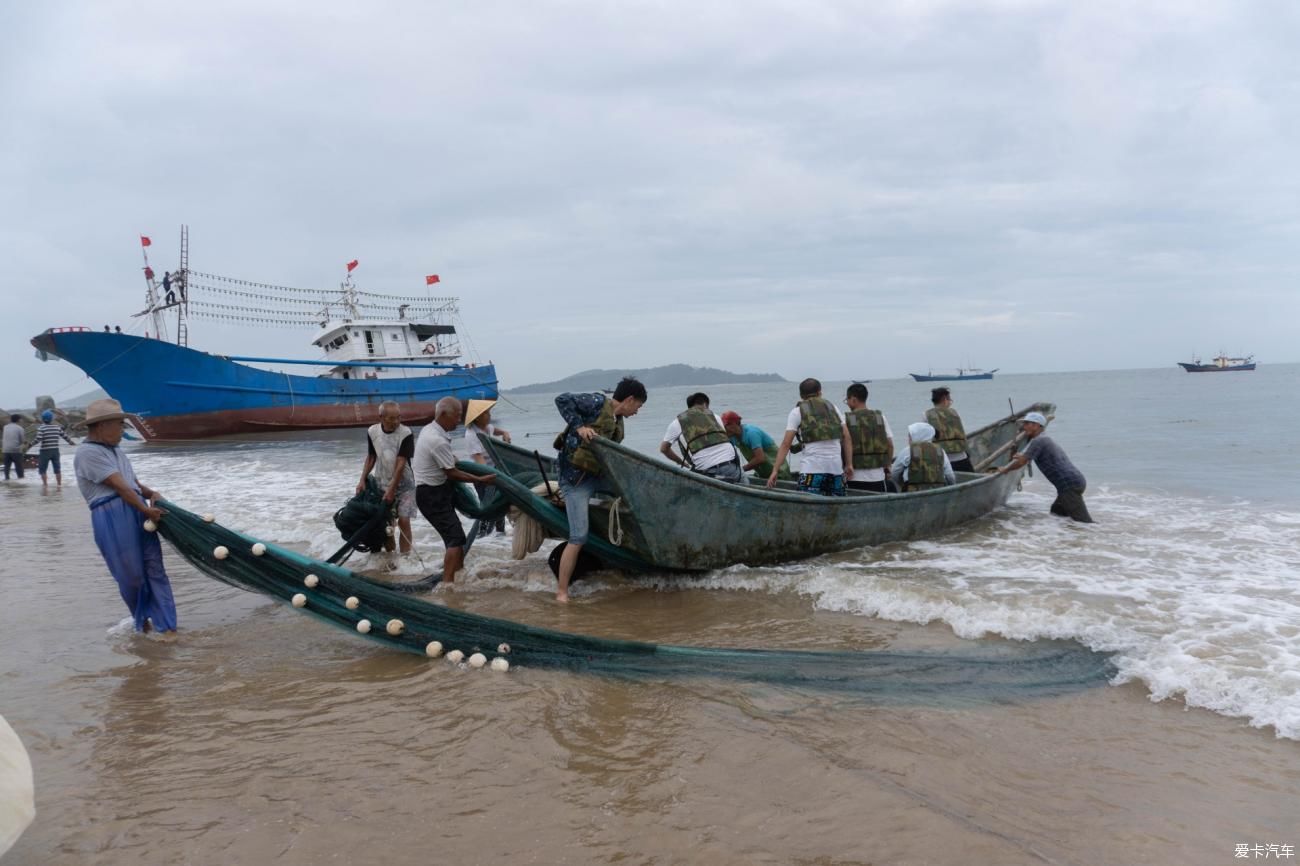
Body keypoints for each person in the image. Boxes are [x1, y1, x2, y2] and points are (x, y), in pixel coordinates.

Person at [73, 399, 177, 634]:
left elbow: (132, 483)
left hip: (136, 508)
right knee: (131, 576)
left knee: (155, 570)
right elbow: (119, 486)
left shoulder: (116, 450)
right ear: (102, 426)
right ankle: (143, 622)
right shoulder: (87, 453)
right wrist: (146, 510)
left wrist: (150, 493)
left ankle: (167, 627)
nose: (123, 429)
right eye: (120, 424)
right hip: (112, 517)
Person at [553, 377, 648, 602]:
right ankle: (562, 592)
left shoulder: (618, 420)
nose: (637, 411)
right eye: (639, 406)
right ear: (629, 400)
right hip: (575, 481)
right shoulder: (596, 402)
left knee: (636, 494)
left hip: (599, 478)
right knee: (578, 537)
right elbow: (562, 400)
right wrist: (580, 426)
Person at [412, 397, 496, 583]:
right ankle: (447, 583)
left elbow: (449, 461)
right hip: (431, 495)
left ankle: (457, 573)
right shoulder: (436, 439)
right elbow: (452, 473)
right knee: (456, 539)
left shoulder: (431, 429)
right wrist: (480, 479)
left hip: (437, 491)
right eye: (456, 416)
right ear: (442, 414)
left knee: (454, 537)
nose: (459, 420)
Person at [997, 411, 1094, 523]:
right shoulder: (1042, 439)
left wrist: (1005, 469)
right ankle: (1067, 537)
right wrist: (1023, 456)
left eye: (1027, 423)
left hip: (1069, 485)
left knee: (1084, 522)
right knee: (1057, 513)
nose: (1024, 427)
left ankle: (1097, 535)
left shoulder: (1038, 441)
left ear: (1036, 425)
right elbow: (1027, 457)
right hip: (1071, 483)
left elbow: (1021, 462)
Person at [767, 378, 854, 496]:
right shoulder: (833, 408)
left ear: (801, 395)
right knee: (834, 510)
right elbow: (846, 437)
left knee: (806, 509)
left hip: (811, 471)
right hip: (836, 470)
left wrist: (775, 470)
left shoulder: (797, 411)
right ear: (820, 392)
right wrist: (849, 464)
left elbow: (786, 444)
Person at [356, 401, 415, 558]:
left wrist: (392, 488)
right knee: (387, 526)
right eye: (391, 418)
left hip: (405, 485)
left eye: (398, 417)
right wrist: (362, 480)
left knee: (403, 520)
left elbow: (401, 463)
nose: (395, 422)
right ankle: (391, 558)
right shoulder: (372, 431)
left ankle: (406, 558)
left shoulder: (406, 433)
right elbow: (371, 456)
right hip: (381, 483)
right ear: (381, 417)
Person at [659, 392, 744, 484]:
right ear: (705, 405)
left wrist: (681, 462)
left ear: (689, 407)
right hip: (732, 469)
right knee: (743, 478)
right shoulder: (715, 417)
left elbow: (664, 449)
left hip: (707, 473)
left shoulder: (678, 422)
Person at [463, 399, 512, 535]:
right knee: (487, 508)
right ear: (478, 417)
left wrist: (505, 434)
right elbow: (479, 461)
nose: (489, 415)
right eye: (486, 413)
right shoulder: (472, 435)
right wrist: (493, 478)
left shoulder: (486, 428)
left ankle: (500, 536)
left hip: (493, 471)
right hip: (482, 476)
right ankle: (483, 536)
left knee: (500, 507)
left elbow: (497, 431)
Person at [843, 384, 897, 493]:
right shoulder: (880, 417)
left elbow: (841, 445)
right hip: (878, 477)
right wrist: (888, 466)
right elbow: (890, 444)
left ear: (853, 399)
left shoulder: (845, 419)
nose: (847, 403)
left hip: (854, 477)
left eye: (847, 400)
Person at [721, 411, 790, 481]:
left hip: (779, 473)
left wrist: (740, 470)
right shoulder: (732, 437)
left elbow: (760, 458)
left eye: (727, 425)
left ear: (737, 423)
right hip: (763, 474)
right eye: (723, 426)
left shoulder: (751, 433)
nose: (725, 428)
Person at [891, 422, 955, 491]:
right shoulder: (940, 450)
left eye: (910, 436)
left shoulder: (908, 450)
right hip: (938, 489)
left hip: (912, 490)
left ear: (917, 435)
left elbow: (895, 472)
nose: (908, 439)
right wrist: (952, 487)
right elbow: (949, 475)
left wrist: (901, 484)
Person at [925, 387, 975, 473]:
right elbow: (962, 433)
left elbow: (924, 440)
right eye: (949, 400)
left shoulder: (926, 415)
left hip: (941, 460)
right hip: (961, 457)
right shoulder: (954, 413)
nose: (950, 403)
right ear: (944, 399)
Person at [33, 409, 76, 489]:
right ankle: (59, 484)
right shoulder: (57, 427)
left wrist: (30, 444)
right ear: (52, 419)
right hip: (55, 451)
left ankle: (45, 485)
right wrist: (71, 442)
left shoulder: (41, 428)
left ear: (42, 419)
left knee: (43, 469)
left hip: (45, 451)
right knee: (57, 468)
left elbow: (38, 439)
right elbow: (65, 436)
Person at [2, 415, 25, 481]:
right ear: (18, 420)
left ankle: (6, 480)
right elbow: (22, 441)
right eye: (21, 419)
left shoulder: (5, 427)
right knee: (19, 467)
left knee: (7, 467)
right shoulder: (20, 428)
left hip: (5, 450)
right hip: (16, 450)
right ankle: (21, 481)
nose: (21, 420)